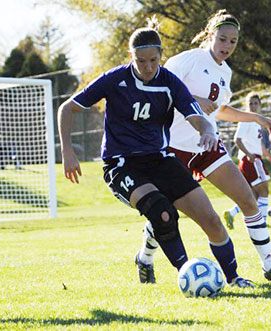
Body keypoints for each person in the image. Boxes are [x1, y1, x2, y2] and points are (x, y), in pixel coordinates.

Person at [58, 19, 255, 288]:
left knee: (210, 218)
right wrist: (68, 152)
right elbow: (67, 109)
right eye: (141, 61)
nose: (148, 67)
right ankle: (187, 273)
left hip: (160, 160)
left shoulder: (169, 82)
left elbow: (195, 114)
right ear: (131, 57)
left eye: (153, 60)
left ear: (162, 56)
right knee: (162, 213)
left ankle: (234, 278)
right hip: (122, 164)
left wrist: (206, 132)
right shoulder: (115, 79)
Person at [135, 10, 271, 284]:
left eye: (233, 42)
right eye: (223, 39)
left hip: (207, 144)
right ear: (211, 35)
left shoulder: (226, 72)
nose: (227, 46)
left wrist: (255, 117)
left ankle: (269, 265)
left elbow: (219, 110)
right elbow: (157, 85)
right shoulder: (189, 59)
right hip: (172, 148)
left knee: (247, 198)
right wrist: (195, 99)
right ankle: (145, 257)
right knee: (166, 213)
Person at [223, 92, 271, 230]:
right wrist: (248, 154)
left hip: (255, 158)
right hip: (251, 159)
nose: (253, 106)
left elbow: (256, 142)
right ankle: (262, 220)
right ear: (246, 105)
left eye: (256, 103)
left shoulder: (256, 122)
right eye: (250, 103)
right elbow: (237, 140)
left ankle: (231, 213)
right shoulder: (246, 119)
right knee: (264, 190)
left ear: (260, 105)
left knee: (253, 195)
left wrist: (267, 155)